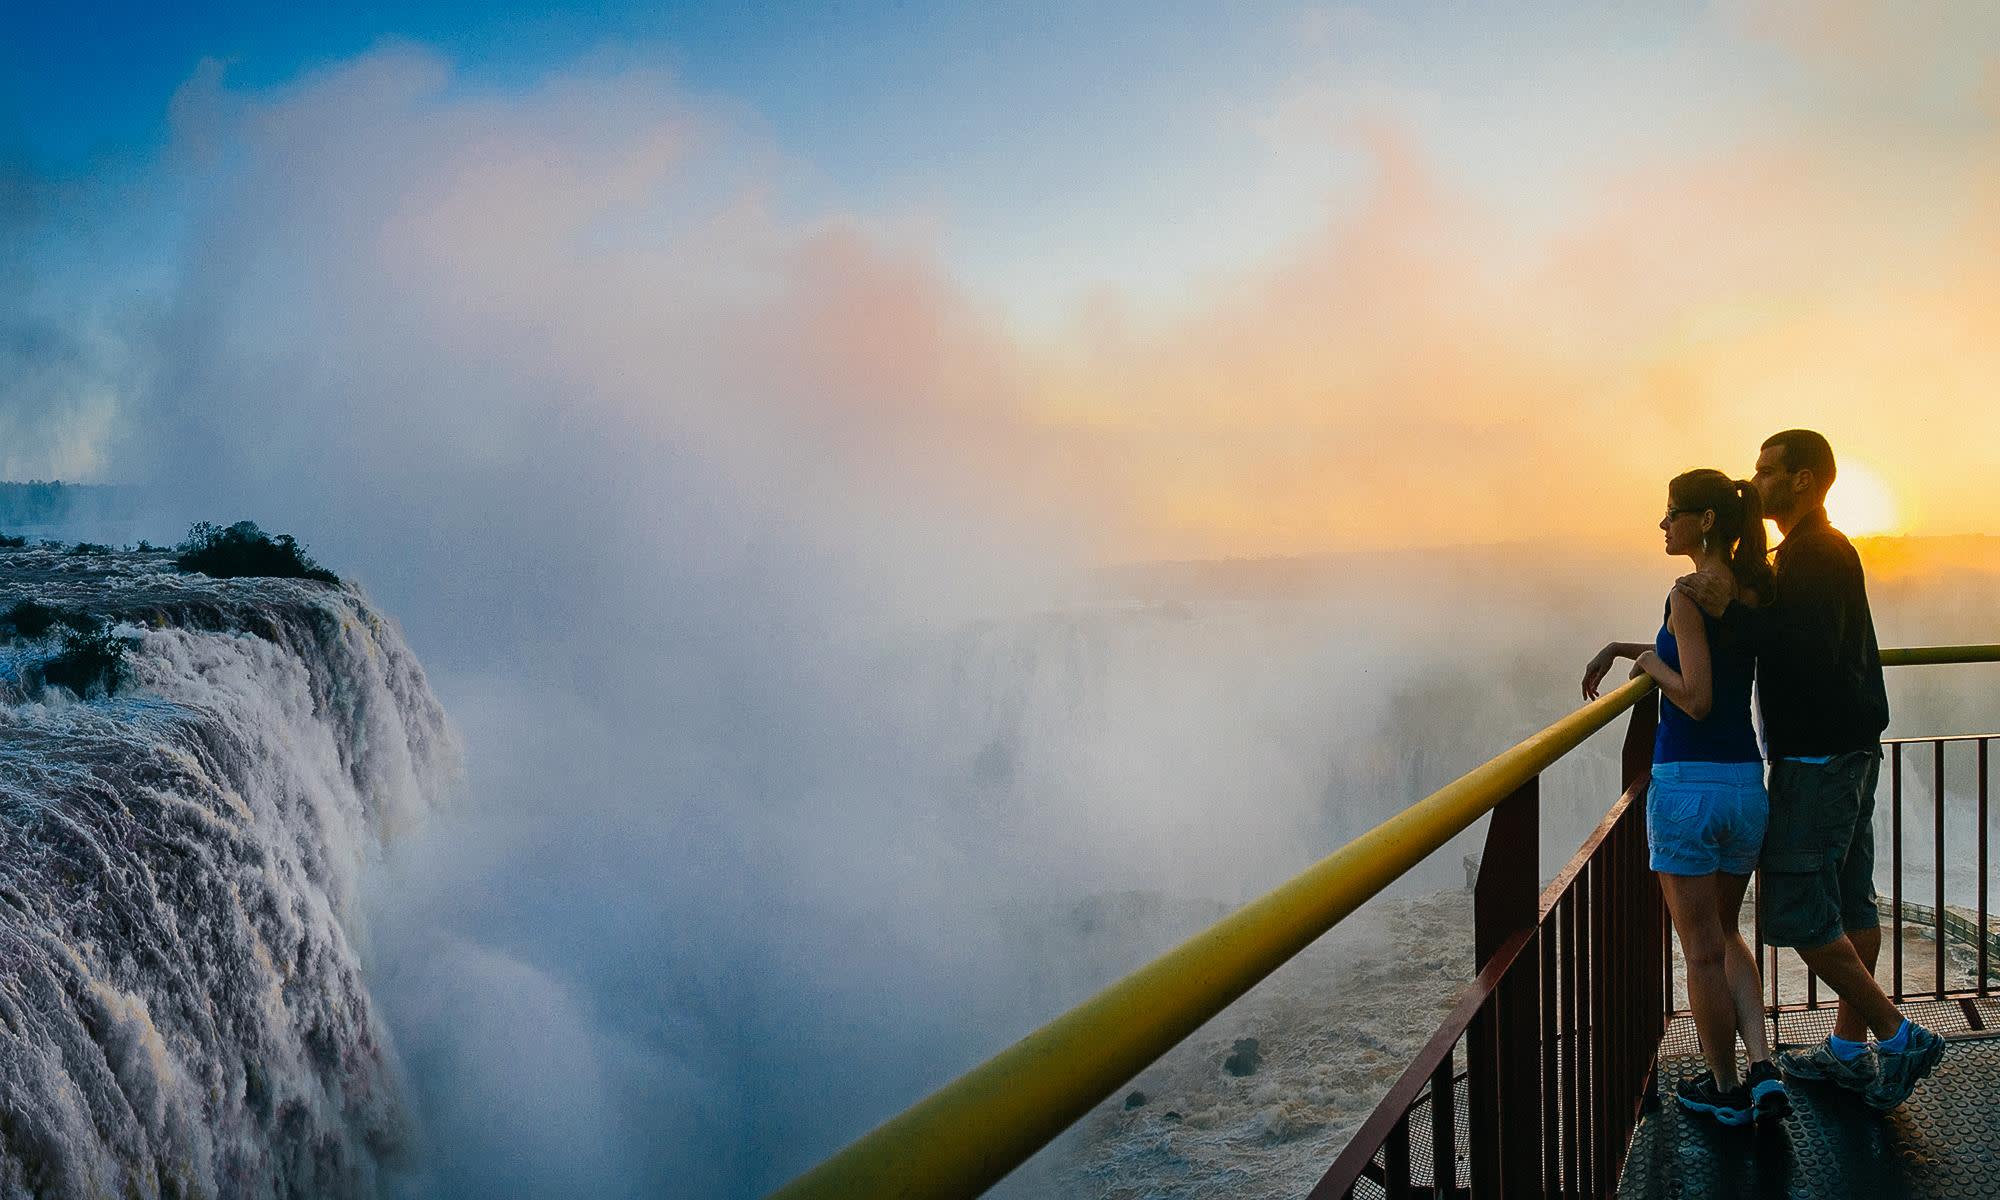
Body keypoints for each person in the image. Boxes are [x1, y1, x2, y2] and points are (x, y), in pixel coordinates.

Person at [1678, 429, 1943, 1111]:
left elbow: (1805, 649)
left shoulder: (1812, 556)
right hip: (1853, 751)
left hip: (1818, 759)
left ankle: (1896, 1033)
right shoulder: (1819, 549)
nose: (1755, 480)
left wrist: (1727, 606)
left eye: (1767, 471)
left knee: (1796, 910)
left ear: (1802, 480)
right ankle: (1850, 1052)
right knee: (1853, 901)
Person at [1582, 468, 1787, 1125]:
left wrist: (1646, 667)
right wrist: (1625, 645)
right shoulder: (1751, 590)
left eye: (1671, 513)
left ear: (1703, 521)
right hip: (1741, 786)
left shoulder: (1686, 592)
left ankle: (1724, 1090)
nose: (1662, 524)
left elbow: (1693, 695)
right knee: (1728, 934)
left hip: (1688, 788)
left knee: (1699, 950)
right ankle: (1761, 1068)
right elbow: (1709, 659)